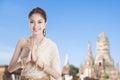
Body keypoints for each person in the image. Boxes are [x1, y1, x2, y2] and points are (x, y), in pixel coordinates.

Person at [8, 7, 61, 80]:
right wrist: (23, 61)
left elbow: (57, 75)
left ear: (45, 23)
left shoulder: (51, 45)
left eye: (39, 22)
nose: (36, 26)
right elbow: (10, 68)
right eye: (32, 22)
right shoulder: (22, 42)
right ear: (28, 22)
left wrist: (37, 61)